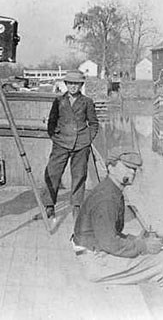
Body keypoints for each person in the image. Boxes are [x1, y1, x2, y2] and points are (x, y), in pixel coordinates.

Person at [72, 147, 163, 312]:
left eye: (134, 169)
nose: (132, 172)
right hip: (96, 262)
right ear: (111, 167)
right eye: (127, 167)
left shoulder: (110, 190)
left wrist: (138, 240)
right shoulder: (107, 199)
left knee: (162, 243)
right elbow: (110, 243)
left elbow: (108, 235)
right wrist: (143, 245)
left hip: (93, 253)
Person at [42, 70, 99, 219]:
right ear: (66, 84)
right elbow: (51, 122)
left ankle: (76, 206)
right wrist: (55, 137)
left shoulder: (87, 102)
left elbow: (93, 123)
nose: (73, 86)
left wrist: (88, 139)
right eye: (70, 83)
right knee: (52, 173)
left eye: (77, 84)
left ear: (81, 85)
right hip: (61, 143)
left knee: (79, 176)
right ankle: (49, 205)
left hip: (81, 144)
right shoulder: (59, 101)